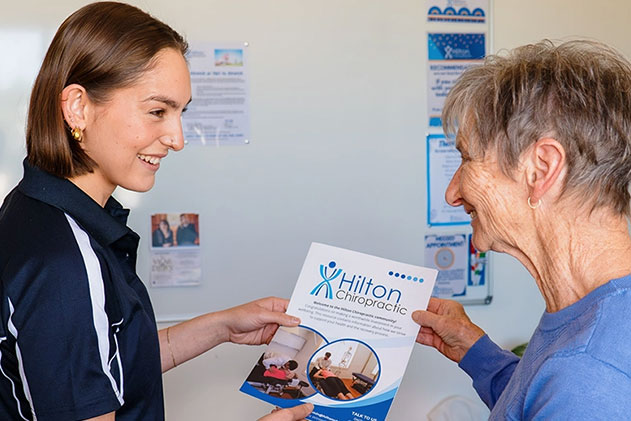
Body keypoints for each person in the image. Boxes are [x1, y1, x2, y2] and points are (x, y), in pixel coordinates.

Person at [0, 3, 311, 421]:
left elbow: (106, 366)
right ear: (78, 107)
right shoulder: (65, 262)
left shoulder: (37, 210)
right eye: (157, 111)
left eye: (181, 113)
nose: (177, 139)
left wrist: (221, 326)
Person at [412, 40, 631, 419]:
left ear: (541, 169)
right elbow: (540, 402)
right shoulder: (597, 322)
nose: (452, 193)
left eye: (467, 158)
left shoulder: (587, 373)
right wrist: (474, 349)